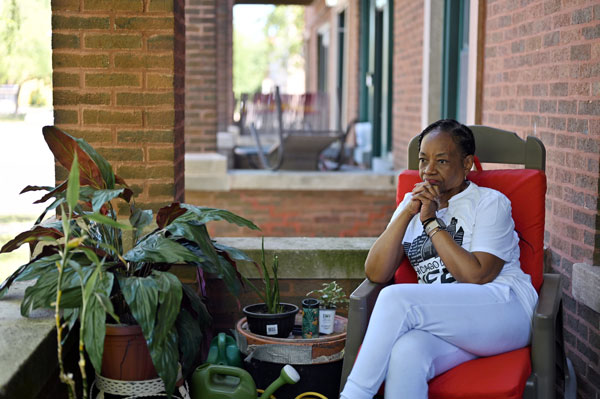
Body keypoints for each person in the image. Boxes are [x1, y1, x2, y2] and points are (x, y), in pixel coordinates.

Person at [340, 119, 538, 399]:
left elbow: (476, 275)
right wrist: (408, 213)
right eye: (423, 161)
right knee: (406, 352)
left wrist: (431, 222)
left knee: (395, 299)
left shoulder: (490, 203)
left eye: (442, 161)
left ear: (467, 163)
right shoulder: (412, 204)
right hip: (448, 320)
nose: (428, 171)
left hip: (504, 309)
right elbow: (376, 273)